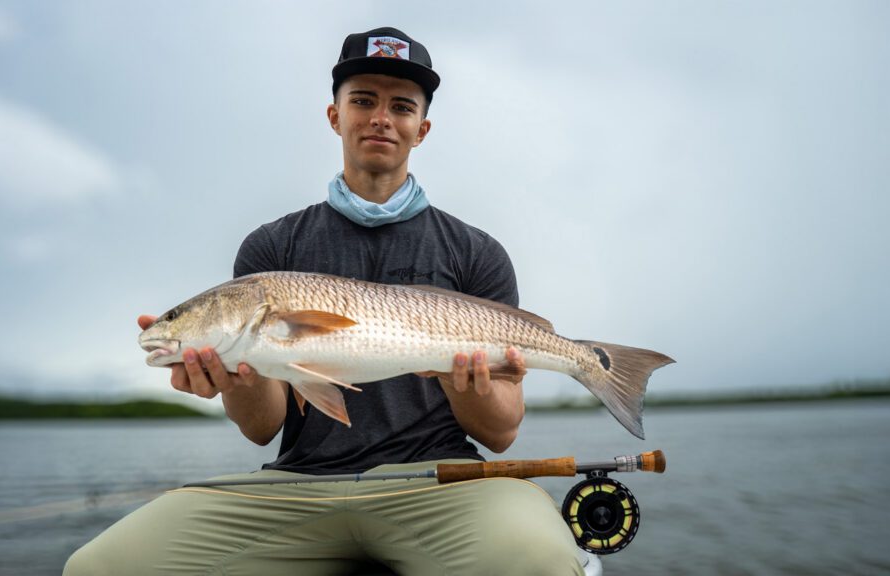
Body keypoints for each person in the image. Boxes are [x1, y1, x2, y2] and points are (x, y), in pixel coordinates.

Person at [64, 27, 583, 576]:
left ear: (422, 129)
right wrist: (235, 377)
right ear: (335, 116)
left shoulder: (476, 252)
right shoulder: (271, 250)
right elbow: (262, 427)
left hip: (438, 483)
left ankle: (589, 363)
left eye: (401, 106)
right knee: (98, 568)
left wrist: (461, 384)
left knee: (544, 562)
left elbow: (501, 434)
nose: (381, 118)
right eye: (363, 100)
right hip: (298, 486)